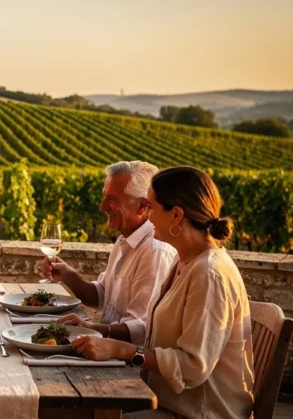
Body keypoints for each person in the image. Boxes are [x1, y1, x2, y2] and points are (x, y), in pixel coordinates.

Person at [72, 166, 254, 419]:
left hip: (197, 413)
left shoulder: (209, 274)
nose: (148, 215)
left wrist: (121, 350)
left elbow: (192, 367)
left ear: (176, 215)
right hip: (167, 402)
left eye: (152, 207)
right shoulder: (187, 262)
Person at [42, 161, 176, 346]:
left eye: (112, 199)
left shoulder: (154, 251)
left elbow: (143, 328)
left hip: (127, 365)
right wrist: (69, 275)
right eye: (104, 197)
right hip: (106, 351)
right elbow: (102, 296)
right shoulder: (124, 240)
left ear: (142, 206)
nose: (102, 206)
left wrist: (89, 330)